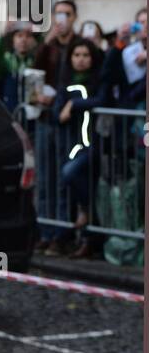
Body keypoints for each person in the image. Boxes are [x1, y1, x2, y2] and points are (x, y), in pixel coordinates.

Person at [53, 38, 108, 258]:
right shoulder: (65, 82)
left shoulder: (98, 80)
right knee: (75, 181)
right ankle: (87, 237)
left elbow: (103, 100)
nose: (81, 60)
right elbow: (58, 114)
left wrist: (74, 104)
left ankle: (86, 214)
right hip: (72, 145)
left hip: (94, 144)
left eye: (85, 55)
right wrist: (64, 108)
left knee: (71, 173)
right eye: (77, 55)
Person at [33, 0, 79, 251]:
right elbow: (34, 71)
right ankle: (45, 230)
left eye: (67, 15)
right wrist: (47, 41)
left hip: (66, 119)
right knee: (45, 176)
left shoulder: (78, 45)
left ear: (74, 18)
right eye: (58, 14)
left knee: (62, 176)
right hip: (45, 116)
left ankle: (61, 233)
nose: (62, 20)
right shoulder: (48, 46)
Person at [0, 23, 37, 114]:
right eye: (19, 36)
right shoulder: (7, 61)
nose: (24, 40)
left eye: (28, 36)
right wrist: (3, 36)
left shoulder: (36, 61)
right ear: (13, 40)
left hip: (31, 116)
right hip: (10, 114)